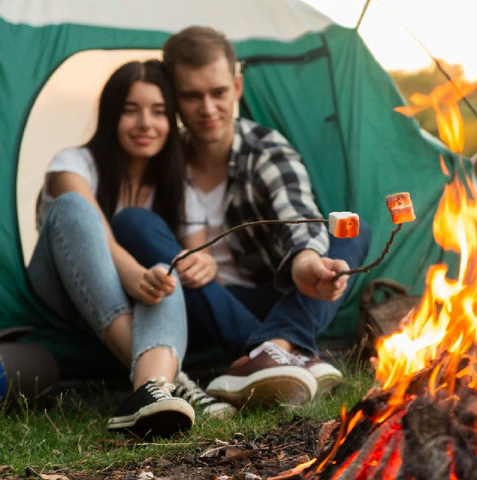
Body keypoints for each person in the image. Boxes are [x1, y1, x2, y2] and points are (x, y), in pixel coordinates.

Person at [113, 27, 371, 409]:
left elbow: (297, 212)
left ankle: (272, 348)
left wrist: (304, 262)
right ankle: (284, 352)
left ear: (236, 87)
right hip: (191, 305)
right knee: (132, 221)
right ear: (173, 99)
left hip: (268, 299)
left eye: (217, 92)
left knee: (354, 228)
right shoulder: (159, 156)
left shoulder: (264, 149)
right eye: (191, 96)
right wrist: (186, 256)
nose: (207, 108)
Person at [27, 59, 235, 438]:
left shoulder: (178, 187)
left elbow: (194, 255)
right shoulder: (71, 163)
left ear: (171, 120)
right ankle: (175, 382)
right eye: (130, 110)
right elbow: (93, 231)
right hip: (63, 290)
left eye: (158, 112)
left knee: (166, 271)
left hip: (135, 294)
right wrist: (133, 274)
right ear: (110, 116)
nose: (145, 124)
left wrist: (204, 264)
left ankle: (148, 393)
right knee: (74, 208)